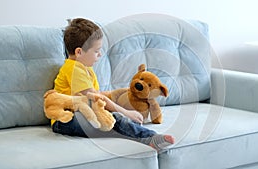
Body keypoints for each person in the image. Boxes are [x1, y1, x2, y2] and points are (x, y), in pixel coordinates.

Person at [50, 18, 174, 151]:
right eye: (96, 51)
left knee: (114, 119)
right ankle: (151, 138)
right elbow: (97, 99)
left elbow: (97, 96)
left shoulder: (85, 68)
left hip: (82, 115)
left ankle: (133, 130)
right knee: (114, 119)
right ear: (79, 52)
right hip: (65, 121)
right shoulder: (74, 70)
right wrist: (126, 112)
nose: (100, 54)